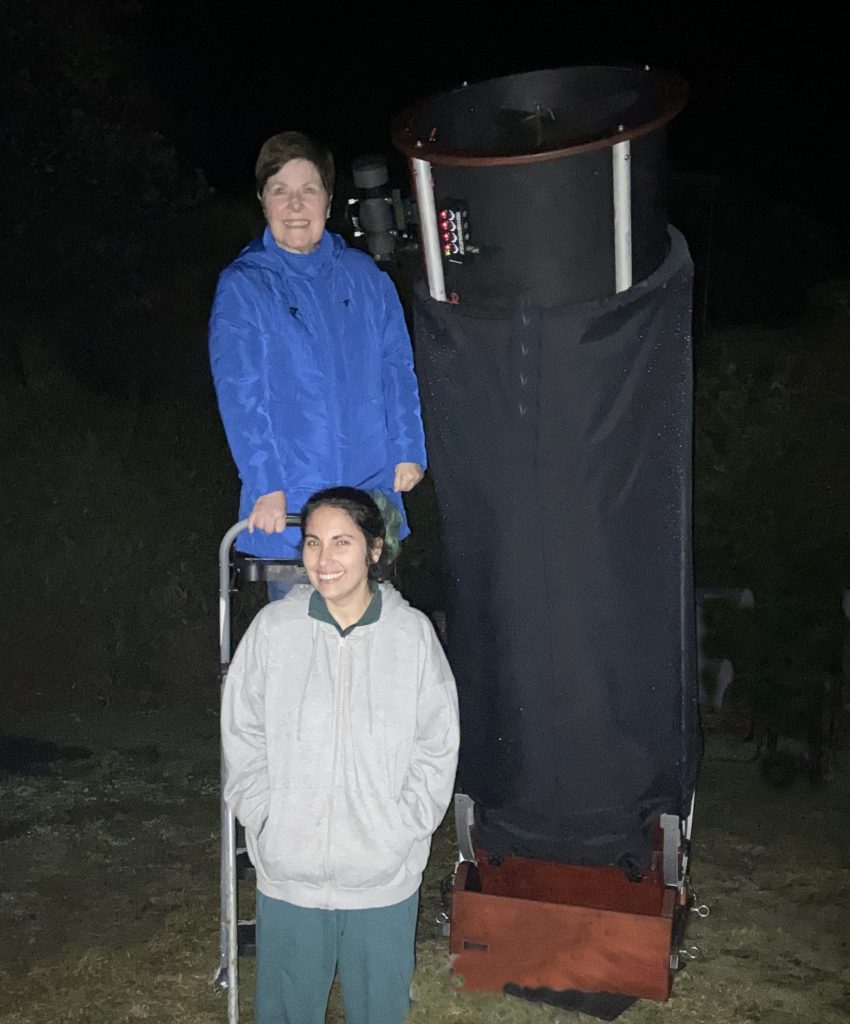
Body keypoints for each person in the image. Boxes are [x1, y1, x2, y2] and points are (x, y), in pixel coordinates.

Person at [221, 487, 460, 1024]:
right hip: (290, 874)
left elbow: (437, 743)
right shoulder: (273, 632)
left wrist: (403, 828)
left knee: (378, 1012)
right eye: (312, 543)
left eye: (341, 542)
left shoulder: (412, 636)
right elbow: (242, 732)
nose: (324, 560)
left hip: (381, 876)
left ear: (374, 550)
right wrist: (264, 818)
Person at [209, 130, 427, 596]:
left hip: (369, 498)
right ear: (263, 201)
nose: (295, 205)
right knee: (300, 653)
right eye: (280, 191)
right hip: (291, 506)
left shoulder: (365, 277)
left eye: (308, 190)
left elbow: (396, 366)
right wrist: (266, 484)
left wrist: (408, 445)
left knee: (374, 644)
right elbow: (242, 395)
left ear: (328, 203)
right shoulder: (245, 288)